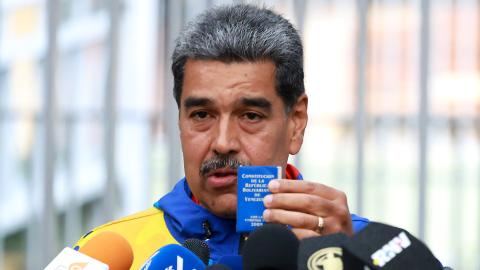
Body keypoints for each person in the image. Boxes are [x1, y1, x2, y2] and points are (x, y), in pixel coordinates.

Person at [74, 4, 368, 267]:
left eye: (251, 116)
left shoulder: (364, 249)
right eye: (202, 115)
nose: (223, 142)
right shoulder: (105, 254)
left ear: (296, 122)